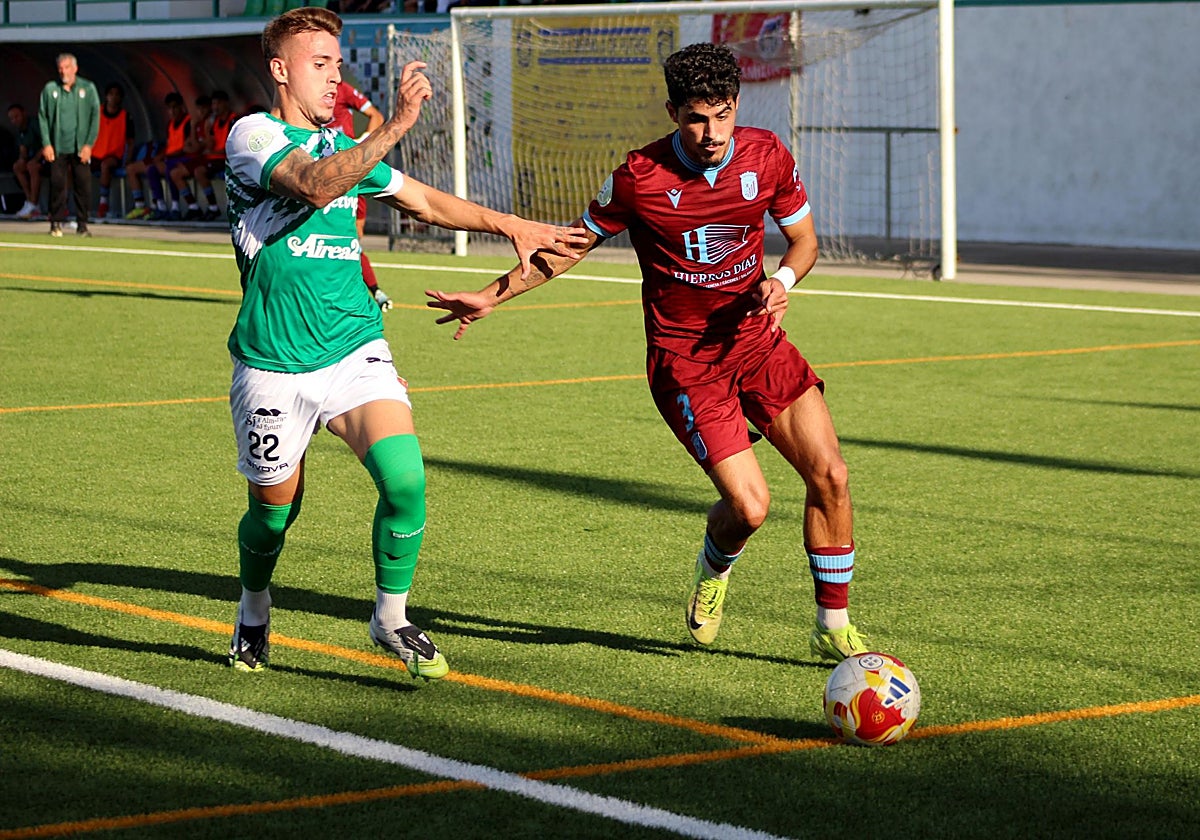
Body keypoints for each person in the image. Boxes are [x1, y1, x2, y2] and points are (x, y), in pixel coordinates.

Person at [427, 42, 870, 663]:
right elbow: (570, 245)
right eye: (696, 117)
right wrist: (492, 295)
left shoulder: (766, 154)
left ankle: (833, 623)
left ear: (736, 106)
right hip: (687, 365)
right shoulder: (639, 177)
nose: (712, 132)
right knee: (749, 506)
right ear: (672, 112)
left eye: (722, 115)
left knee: (832, 474)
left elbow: (803, 240)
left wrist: (784, 282)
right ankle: (714, 569)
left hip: (757, 342)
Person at [223, 6, 586, 678]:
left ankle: (390, 618)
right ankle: (252, 607)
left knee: (406, 481)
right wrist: (392, 126)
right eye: (320, 63)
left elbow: (422, 200)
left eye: (338, 62)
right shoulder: (252, 135)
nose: (335, 77)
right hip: (272, 362)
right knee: (272, 517)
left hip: (354, 347)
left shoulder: (345, 149)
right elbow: (313, 183)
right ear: (280, 70)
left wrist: (510, 225)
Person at [330, 79, 390, 310]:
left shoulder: (344, 90)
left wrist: (360, 143)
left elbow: (376, 116)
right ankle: (373, 292)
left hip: (350, 176)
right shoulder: (308, 94)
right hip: (322, 174)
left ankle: (368, 292)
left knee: (352, 241)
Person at [38, 53, 99, 237]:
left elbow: (95, 117)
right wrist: (47, 144)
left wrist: (89, 144)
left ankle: (82, 224)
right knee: (57, 184)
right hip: (58, 146)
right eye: (60, 68)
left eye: (66, 67)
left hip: (80, 147)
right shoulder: (50, 89)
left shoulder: (87, 88)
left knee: (83, 185)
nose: (63, 71)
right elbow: (43, 117)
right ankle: (55, 223)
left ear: (75, 68)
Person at [124, 92, 191, 220]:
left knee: (168, 169)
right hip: (170, 158)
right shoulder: (170, 125)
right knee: (148, 168)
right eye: (169, 108)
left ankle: (176, 207)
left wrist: (165, 155)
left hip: (181, 159)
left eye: (175, 107)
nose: (172, 111)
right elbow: (170, 145)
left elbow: (187, 147)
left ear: (181, 107)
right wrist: (161, 155)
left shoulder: (188, 123)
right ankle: (158, 206)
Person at [92, 83, 133, 220]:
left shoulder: (125, 116)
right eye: (111, 94)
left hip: (114, 155)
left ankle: (104, 202)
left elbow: (131, 141)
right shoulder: (97, 113)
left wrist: (128, 158)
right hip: (95, 153)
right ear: (106, 96)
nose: (114, 97)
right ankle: (66, 204)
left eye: (117, 95)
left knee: (106, 165)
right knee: (74, 167)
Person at [7, 103, 45, 219]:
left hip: (48, 159)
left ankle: (33, 203)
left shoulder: (35, 124)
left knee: (32, 166)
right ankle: (30, 201)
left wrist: (34, 160)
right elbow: (23, 150)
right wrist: (21, 160)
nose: (15, 120)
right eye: (12, 118)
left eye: (17, 116)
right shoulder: (20, 131)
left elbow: (46, 145)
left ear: (24, 113)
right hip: (33, 161)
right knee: (17, 167)